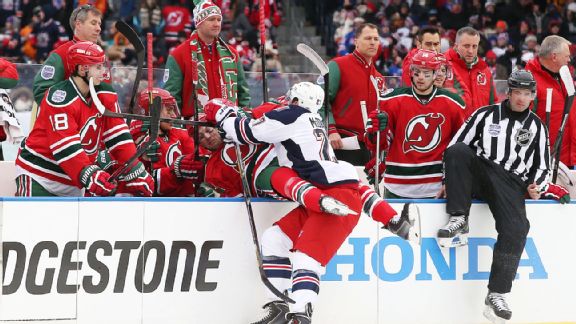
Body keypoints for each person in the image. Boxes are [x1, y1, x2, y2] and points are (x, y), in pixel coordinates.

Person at [204, 82, 419, 324]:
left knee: (307, 259)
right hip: (325, 196)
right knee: (274, 238)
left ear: (295, 100)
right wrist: (391, 219)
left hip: (331, 198)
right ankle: (279, 307)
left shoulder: (290, 115)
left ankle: (300, 315)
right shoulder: (314, 123)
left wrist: (219, 113)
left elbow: (245, 132)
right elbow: (359, 190)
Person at [437, 69, 569, 323]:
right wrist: (449, 181)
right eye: (517, 92)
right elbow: (456, 146)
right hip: (482, 171)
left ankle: (496, 293)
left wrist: (538, 186)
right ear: (507, 92)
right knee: (459, 150)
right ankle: (459, 218)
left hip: (511, 182)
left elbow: (542, 167)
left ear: (533, 96)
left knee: (517, 228)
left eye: (527, 93)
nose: (521, 98)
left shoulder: (537, 127)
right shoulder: (484, 115)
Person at [14, 41, 154, 197]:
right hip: (40, 175)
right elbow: (65, 146)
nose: (104, 72)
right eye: (98, 67)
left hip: (74, 180)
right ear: (82, 69)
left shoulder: (105, 95)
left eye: (103, 66)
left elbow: (118, 137)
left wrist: (135, 170)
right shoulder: (60, 98)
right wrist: (90, 174)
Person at [364, 49, 465, 199]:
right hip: (397, 185)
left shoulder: (453, 103)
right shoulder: (390, 101)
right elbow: (375, 144)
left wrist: (452, 178)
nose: (421, 78)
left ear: (436, 74)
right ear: (411, 72)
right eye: (417, 72)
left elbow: (459, 146)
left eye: (426, 73)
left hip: (436, 187)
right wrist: (376, 131)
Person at [163, 0, 251, 120]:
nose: (216, 24)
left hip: (230, 126)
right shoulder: (178, 55)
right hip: (194, 129)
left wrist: (245, 121)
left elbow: (243, 93)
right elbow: (172, 98)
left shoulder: (232, 54)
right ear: (198, 22)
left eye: (218, 19)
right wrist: (179, 129)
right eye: (211, 19)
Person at [326, 22, 385, 166]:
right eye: (368, 38)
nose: (372, 43)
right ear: (356, 41)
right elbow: (321, 100)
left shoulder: (379, 78)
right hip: (340, 143)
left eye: (376, 39)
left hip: (369, 146)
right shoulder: (337, 65)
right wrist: (330, 129)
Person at [128, 88, 203, 197]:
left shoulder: (181, 134)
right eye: (169, 110)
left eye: (173, 110)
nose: (173, 115)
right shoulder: (135, 136)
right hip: (149, 205)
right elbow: (139, 182)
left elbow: (199, 163)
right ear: (153, 110)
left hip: (184, 202)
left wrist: (203, 183)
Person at [33, 4, 102, 105]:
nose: (98, 28)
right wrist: (71, 110)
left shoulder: (100, 55)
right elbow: (41, 92)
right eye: (93, 23)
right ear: (78, 24)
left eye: (99, 24)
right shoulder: (61, 54)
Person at [525, 35, 575, 168]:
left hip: (569, 157)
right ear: (554, 57)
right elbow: (522, 123)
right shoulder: (528, 81)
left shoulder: (565, 75)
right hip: (545, 160)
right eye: (566, 56)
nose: (569, 60)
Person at [445, 26, 497, 117]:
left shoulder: (484, 69)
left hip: (479, 128)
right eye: (466, 46)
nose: (471, 51)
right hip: (454, 128)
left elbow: (493, 103)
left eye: (474, 46)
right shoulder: (443, 66)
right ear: (456, 46)